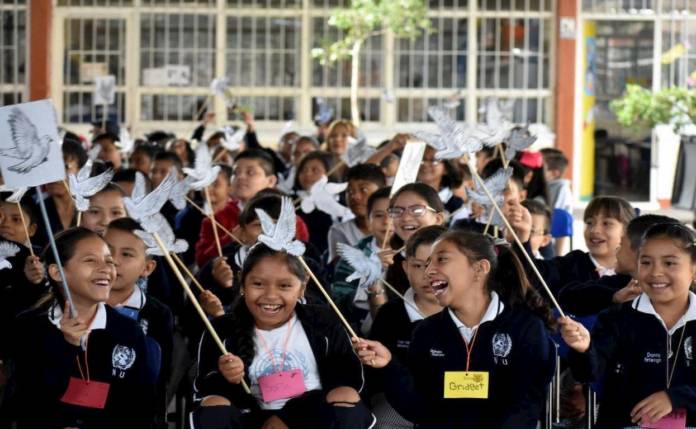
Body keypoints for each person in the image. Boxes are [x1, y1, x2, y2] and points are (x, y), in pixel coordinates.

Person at [354, 230, 556, 428]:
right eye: (427, 263)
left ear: (479, 269)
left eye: (441, 260)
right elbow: (419, 408)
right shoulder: (426, 331)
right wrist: (389, 365)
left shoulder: (524, 328)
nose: (428, 271)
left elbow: (524, 406)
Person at [192, 244, 375, 429]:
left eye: (285, 286)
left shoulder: (323, 321)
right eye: (258, 284)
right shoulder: (221, 329)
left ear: (302, 286)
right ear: (242, 283)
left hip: (312, 414)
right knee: (212, 406)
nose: (271, 295)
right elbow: (205, 390)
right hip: (250, 419)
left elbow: (350, 380)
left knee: (346, 395)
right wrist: (227, 378)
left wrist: (289, 417)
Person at [6, 227, 156, 428]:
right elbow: (27, 404)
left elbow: (139, 409)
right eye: (90, 260)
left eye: (108, 261)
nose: (106, 269)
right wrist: (67, 347)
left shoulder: (128, 331)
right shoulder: (29, 326)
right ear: (57, 272)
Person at [560, 222, 696, 428]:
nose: (656, 272)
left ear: (693, 270)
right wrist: (583, 349)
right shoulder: (616, 319)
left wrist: (676, 397)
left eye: (669, 263)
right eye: (646, 262)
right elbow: (589, 373)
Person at [367, 226, 446, 428]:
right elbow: (377, 380)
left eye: (439, 263)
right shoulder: (390, 314)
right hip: (399, 405)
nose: (428, 274)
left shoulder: (470, 313)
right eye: (419, 266)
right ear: (405, 268)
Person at [104, 218, 174, 428]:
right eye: (107, 250)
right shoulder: (81, 302)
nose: (114, 261)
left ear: (148, 267)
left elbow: (159, 377)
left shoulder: (157, 314)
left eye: (126, 254)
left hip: (132, 412)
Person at [558, 214, 679, 316]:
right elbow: (567, 296)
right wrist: (614, 296)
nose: (617, 250)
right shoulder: (620, 283)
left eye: (621, 244)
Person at [196, 149, 278, 267]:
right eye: (235, 173)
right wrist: (229, 239)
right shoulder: (214, 221)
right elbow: (202, 262)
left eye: (250, 172)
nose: (240, 177)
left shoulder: (288, 217)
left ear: (271, 181)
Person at [382, 183, 446, 295]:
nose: (406, 218)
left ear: (438, 219)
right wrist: (376, 277)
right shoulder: (385, 263)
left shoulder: (460, 257)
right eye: (397, 211)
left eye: (417, 210)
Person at [327, 164, 386, 263]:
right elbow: (341, 271)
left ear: (382, 191)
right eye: (349, 191)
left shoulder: (395, 227)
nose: (355, 197)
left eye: (364, 190)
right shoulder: (340, 232)